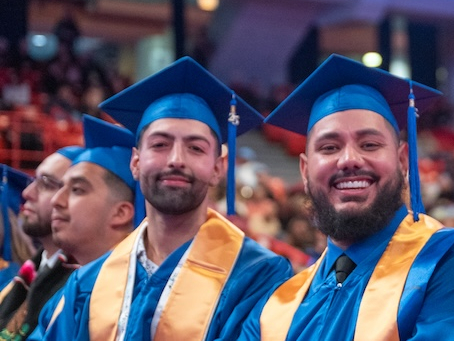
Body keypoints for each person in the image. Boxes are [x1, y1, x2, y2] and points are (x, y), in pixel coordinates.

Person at [238, 54, 454, 340]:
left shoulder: (451, 265)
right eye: (329, 147)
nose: (348, 159)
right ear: (305, 171)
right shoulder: (275, 308)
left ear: (403, 161)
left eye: (369, 144)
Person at [37, 57, 293, 340]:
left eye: (195, 148)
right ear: (135, 162)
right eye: (160, 145)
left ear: (217, 169)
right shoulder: (88, 284)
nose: (176, 160)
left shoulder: (258, 276)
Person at [0, 148, 81, 340]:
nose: (27, 193)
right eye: (33, 181)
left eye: (46, 183)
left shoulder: (81, 287)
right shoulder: (24, 279)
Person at [50, 115, 137, 265]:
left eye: (77, 190)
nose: (56, 200)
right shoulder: (70, 283)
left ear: (121, 213)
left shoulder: (135, 286)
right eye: (61, 187)